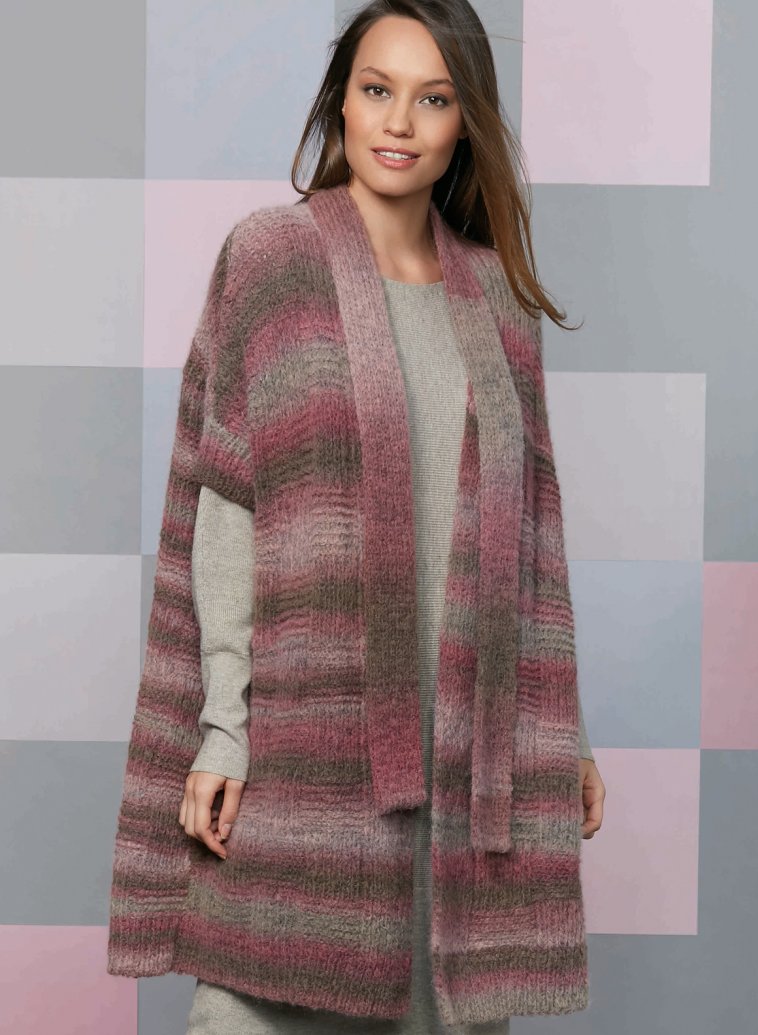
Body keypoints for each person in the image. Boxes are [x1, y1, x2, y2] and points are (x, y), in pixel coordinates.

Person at [107, 2, 606, 1031]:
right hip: (308, 762)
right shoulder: (272, 259)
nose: (399, 123)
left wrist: (567, 740)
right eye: (377, 90)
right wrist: (224, 729)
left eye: (434, 99)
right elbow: (227, 503)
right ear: (342, 99)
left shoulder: (498, 301)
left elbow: (532, 554)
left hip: (463, 787)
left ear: (465, 121)